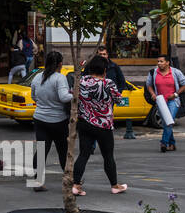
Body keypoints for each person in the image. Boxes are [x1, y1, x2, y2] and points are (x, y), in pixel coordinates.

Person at [72, 56, 128, 195]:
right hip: (103, 125)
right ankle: (114, 185)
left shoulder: (81, 81)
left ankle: (76, 185)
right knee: (108, 156)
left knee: (83, 154)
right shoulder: (108, 83)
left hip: (85, 122)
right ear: (104, 70)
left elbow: (72, 95)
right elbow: (119, 100)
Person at [30, 51, 73, 192]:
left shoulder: (37, 77)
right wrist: (73, 93)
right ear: (60, 64)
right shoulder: (60, 78)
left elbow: (34, 96)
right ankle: (69, 181)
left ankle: (37, 181)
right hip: (58, 120)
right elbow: (64, 97)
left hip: (40, 118)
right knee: (63, 151)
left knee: (42, 150)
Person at [145, 54, 185, 153]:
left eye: (161, 61)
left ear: (167, 62)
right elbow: (149, 85)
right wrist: (153, 94)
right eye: (158, 61)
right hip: (160, 102)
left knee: (169, 121)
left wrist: (175, 94)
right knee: (166, 123)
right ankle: (172, 144)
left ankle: (164, 143)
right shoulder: (153, 72)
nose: (159, 63)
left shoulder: (175, 72)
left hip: (173, 101)